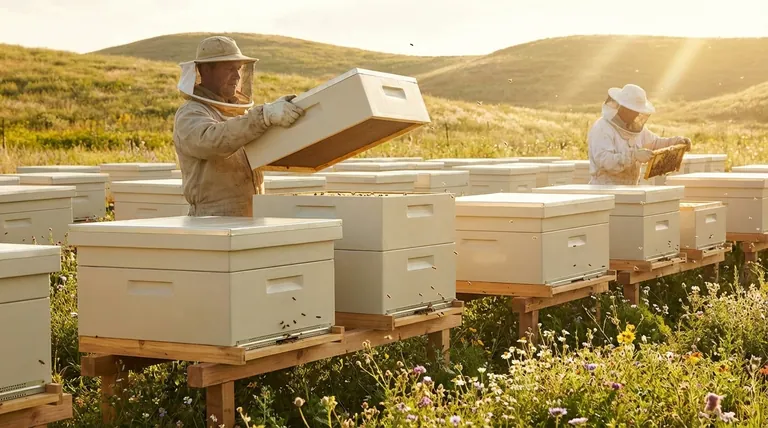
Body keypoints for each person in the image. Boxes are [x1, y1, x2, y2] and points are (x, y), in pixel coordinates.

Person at [173, 35, 305, 217]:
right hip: (212, 217)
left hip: (253, 212)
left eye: (238, 69)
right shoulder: (191, 113)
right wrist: (263, 116)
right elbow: (211, 142)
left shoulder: (238, 115)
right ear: (205, 71)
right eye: (229, 69)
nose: (236, 76)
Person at [587, 84, 691, 185]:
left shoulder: (636, 129)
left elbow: (655, 143)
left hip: (631, 189)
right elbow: (604, 161)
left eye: (639, 111)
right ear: (623, 108)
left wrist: (676, 141)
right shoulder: (602, 128)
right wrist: (634, 155)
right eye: (634, 110)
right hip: (605, 189)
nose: (637, 114)